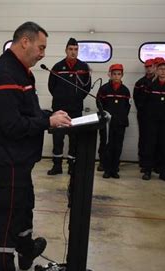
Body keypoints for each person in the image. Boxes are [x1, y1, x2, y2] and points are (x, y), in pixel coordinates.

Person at [0, 21, 71, 271]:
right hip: (7, 157)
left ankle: (25, 248)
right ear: (25, 41)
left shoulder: (21, 72)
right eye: (41, 47)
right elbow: (12, 125)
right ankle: (1, 270)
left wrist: (49, 116)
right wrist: (48, 123)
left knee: (24, 205)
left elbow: (28, 113)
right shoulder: (5, 74)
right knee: (9, 212)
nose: (43, 53)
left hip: (19, 157)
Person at [47, 37, 91, 175]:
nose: (73, 52)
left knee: (74, 138)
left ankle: (72, 165)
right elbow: (51, 86)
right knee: (58, 138)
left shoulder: (83, 67)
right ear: (66, 50)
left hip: (76, 108)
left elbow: (87, 87)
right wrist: (61, 98)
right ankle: (57, 166)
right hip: (60, 108)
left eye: (76, 49)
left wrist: (76, 99)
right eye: (70, 49)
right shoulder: (57, 67)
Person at [140, 58, 165, 181]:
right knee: (149, 145)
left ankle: (163, 172)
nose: (163, 71)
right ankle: (147, 171)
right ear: (156, 70)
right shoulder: (150, 85)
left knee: (163, 146)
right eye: (160, 69)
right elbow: (144, 102)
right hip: (152, 121)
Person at [97, 64, 131, 179]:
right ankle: (106, 169)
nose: (116, 76)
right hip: (107, 124)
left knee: (117, 146)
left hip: (120, 123)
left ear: (122, 75)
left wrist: (120, 117)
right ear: (110, 75)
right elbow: (99, 104)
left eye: (119, 74)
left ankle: (115, 169)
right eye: (114, 74)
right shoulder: (104, 89)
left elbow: (127, 107)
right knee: (107, 146)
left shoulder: (125, 91)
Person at [133, 58, 155, 172]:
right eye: (147, 67)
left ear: (154, 67)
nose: (149, 68)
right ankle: (143, 162)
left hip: (157, 117)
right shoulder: (140, 83)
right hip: (144, 115)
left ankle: (155, 163)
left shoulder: (159, 81)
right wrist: (142, 110)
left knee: (155, 139)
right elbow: (136, 98)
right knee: (144, 138)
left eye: (150, 66)